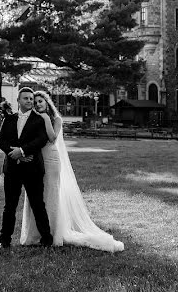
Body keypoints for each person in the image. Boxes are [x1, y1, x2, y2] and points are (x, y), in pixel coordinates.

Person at [21, 91, 124, 252]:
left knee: (50, 195)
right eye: (35, 103)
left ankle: (53, 233)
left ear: (47, 102)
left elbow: (52, 138)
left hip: (51, 160)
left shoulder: (55, 119)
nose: (38, 104)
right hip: (37, 160)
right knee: (36, 196)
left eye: (40, 101)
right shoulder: (35, 119)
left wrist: (46, 119)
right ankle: (35, 233)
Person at [0, 89, 52, 251]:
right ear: (19, 100)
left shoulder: (39, 119)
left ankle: (47, 240)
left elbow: (41, 140)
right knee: (9, 206)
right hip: (12, 168)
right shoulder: (9, 119)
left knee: (38, 205)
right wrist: (16, 155)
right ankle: (4, 241)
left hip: (33, 168)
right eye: (26, 98)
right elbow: (0, 141)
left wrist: (22, 151)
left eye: (31, 98)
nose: (29, 101)